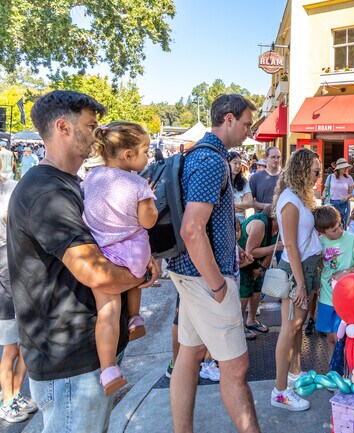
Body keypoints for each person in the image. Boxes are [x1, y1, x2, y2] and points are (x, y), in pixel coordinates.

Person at [7, 90, 159, 433]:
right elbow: (96, 273)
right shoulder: (47, 192)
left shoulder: (75, 183)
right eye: (90, 126)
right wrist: (137, 273)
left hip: (80, 359)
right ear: (63, 127)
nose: (97, 134)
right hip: (72, 364)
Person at [166, 94, 260, 433]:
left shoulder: (201, 155)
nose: (249, 132)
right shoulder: (210, 161)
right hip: (206, 280)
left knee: (188, 357)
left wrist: (232, 252)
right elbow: (192, 229)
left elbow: (203, 225)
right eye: (247, 123)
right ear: (230, 119)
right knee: (235, 368)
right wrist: (218, 283)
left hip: (192, 274)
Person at [82, 122, 158, 395]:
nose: (148, 157)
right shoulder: (138, 183)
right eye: (145, 151)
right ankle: (136, 318)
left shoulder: (90, 178)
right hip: (135, 252)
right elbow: (147, 222)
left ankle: (109, 369)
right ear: (128, 155)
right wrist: (150, 200)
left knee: (107, 312)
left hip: (103, 252)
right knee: (135, 280)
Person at [270, 148, 322, 411]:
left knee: (297, 327)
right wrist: (300, 283)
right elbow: (290, 245)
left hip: (304, 268)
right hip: (296, 270)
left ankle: (295, 374)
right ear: (303, 170)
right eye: (315, 170)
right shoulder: (291, 200)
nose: (318, 175)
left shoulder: (298, 197)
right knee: (289, 329)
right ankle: (280, 391)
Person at [0, 174, 36, 423]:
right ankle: (7, 401)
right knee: (10, 349)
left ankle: (15, 395)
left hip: (21, 285)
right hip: (4, 292)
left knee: (24, 347)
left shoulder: (12, 187)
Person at [313, 205, 354, 356]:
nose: (339, 230)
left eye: (340, 225)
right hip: (326, 297)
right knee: (330, 337)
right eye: (334, 230)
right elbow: (317, 265)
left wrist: (346, 272)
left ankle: (345, 366)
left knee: (341, 336)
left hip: (347, 298)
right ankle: (334, 368)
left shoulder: (351, 239)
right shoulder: (319, 242)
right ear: (323, 232)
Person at [238, 206, 280, 340]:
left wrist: (261, 269)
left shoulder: (279, 228)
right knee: (244, 292)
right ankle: (238, 327)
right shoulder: (259, 224)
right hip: (243, 261)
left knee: (257, 289)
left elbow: (271, 252)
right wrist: (277, 247)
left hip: (256, 263)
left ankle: (251, 320)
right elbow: (250, 252)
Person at [323, 158, 354, 227]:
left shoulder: (349, 178)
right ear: (338, 168)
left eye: (346, 167)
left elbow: (352, 193)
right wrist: (323, 196)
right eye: (344, 167)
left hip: (344, 203)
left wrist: (347, 197)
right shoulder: (330, 177)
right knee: (332, 223)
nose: (345, 169)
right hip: (332, 202)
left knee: (343, 223)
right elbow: (325, 189)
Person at [250, 146, 281, 212]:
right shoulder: (255, 177)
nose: (276, 160)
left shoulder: (285, 177)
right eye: (273, 157)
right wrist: (264, 206)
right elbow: (249, 201)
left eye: (278, 157)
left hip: (281, 218)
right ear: (266, 158)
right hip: (261, 218)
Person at [228, 151, 253, 223]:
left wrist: (231, 205)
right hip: (227, 219)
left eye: (239, 163)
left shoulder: (244, 181)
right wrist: (241, 205)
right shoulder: (223, 182)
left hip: (241, 219)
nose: (238, 166)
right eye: (235, 163)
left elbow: (250, 203)